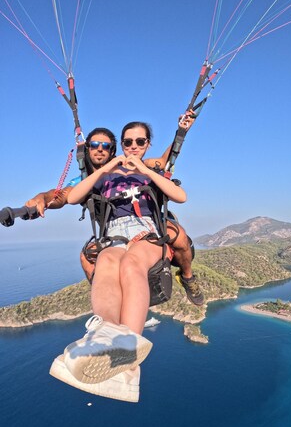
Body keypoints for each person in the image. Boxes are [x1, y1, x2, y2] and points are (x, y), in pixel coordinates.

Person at [52, 122, 189, 402]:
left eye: (140, 142)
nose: (134, 147)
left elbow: (180, 196)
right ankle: (105, 340)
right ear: (121, 146)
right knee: (105, 265)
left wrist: (145, 171)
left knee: (131, 265)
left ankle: (128, 347)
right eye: (128, 143)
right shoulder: (106, 177)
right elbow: (75, 197)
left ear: (148, 144)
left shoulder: (150, 173)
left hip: (147, 231)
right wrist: (105, 169)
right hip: (115, 235)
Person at [25, 121, 204, 307]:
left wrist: (181, 132)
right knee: (86, 258)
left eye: (105, 146)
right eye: (94, 145)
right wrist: (43, 198)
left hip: (149, 218)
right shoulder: (86, 178)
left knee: (180, 237)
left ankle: (187, 277)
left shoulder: (134, 165)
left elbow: (165, 160)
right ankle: (109, 296)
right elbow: (63, 195)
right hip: (113, 227)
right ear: (87, 149)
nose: (99, 150)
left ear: (113, 150)